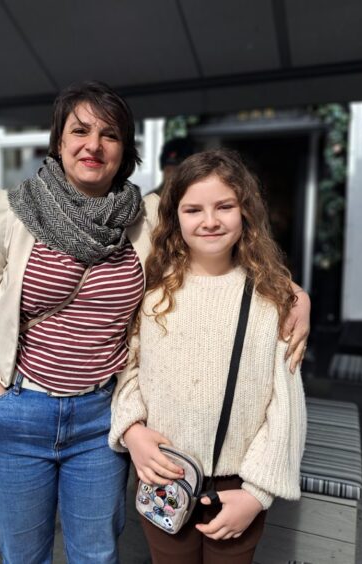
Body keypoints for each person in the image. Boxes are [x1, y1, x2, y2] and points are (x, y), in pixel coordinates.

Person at [0, 81, 310, 564]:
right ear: (58, 141)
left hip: (99, 417)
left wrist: (292, 293)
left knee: (98, 554)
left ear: (126, 150)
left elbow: (220, 242)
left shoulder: (145, 217)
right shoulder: (12, 211)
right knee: (23, 554)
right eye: (79, 131)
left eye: (110, 134)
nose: (93, 145)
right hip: (19, 409)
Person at [110, 150, 307, 564]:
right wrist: (132, 431)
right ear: (175, 217)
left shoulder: (273, 301)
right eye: (193, 209)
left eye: (224, 206)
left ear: (246, 212)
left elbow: (286, 405)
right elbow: (130, 372)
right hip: (165, 474)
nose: (210, 220)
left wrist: (257, 493)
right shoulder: (153, 296)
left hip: (238, 485)